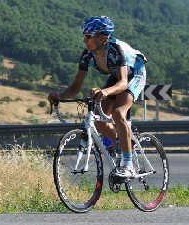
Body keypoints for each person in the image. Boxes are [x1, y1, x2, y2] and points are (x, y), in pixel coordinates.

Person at [48, 16, 147, 178]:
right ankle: (121, 143)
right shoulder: (88, 55)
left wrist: (106, 91)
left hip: (134, 74)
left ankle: (128, 164)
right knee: (100, 118)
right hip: (117, 75)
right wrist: (60, 96)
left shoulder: (115, 50)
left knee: (118, 112)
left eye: (87, 37)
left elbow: (123, 84)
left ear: (101, 38)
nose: (84, 41)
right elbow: (75, 87)